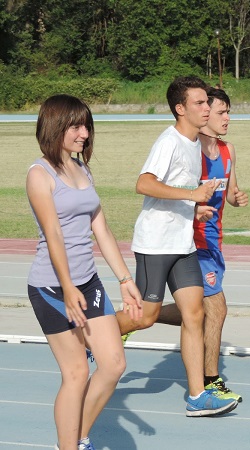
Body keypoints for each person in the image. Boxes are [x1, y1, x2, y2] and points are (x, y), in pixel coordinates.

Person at [114, 76, 238, 417]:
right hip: (156, 243)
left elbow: (179, 189)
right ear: (180, 109)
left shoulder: (195, 144)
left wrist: (194, 208)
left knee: (194, 313)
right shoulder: (169, 141)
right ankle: (90, 338)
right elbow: (144, 183)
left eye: (207, 103)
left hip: (183, 243)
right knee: (145, 316)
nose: (206, 108)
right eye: (200, 103)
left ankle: (197, 395)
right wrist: (191, 196)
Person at [26, 94, 143, 450]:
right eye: (76, 126)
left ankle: (79, 438)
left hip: (88, 282)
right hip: (52, 287)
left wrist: (125, 280)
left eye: (87, 126)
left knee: (113, 364)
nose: (84, 134)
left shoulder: (83, 170)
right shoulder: (39, 175)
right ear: (56, 127)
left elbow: (102, 230)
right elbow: (54, 235)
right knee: (76, 374)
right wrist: (66, 286)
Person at [153, 87, 248, 402]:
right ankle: (210, 381)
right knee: (217, 309)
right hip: (189, 243)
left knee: (198, 312)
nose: (224, 118)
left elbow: (230, 192)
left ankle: (135, 316)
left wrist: (236, 198)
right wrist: (192, 203)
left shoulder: (228, 150)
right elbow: (158, 187)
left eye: (226, 112)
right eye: (220, 111)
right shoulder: (187, 151)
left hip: (213, 242)